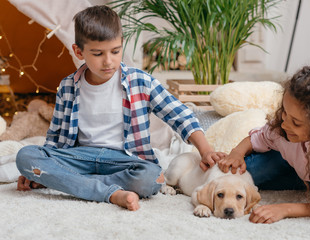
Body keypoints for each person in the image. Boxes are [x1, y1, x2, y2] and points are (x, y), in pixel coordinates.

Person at [16, 5, 224, 211]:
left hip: (125, 160)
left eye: (115, 51)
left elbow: (180, 115)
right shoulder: (68, 87)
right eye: (98, 54)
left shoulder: (140, 81)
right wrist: (40, 168)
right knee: (26, 156)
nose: (108, 61)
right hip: (81, 157)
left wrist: (205, 150)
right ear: (78, 51)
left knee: (152, 178)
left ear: (121, 45)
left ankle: (78, 184)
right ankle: (112, 193)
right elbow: (55, 137)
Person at [218, 62, 310, 223]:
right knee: (238, 175)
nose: (285, 124)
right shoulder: (281, 130)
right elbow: (257, 137)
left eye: (296, 123)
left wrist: (286, 209)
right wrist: (237, 153)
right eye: (284, 112)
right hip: (291, 165)